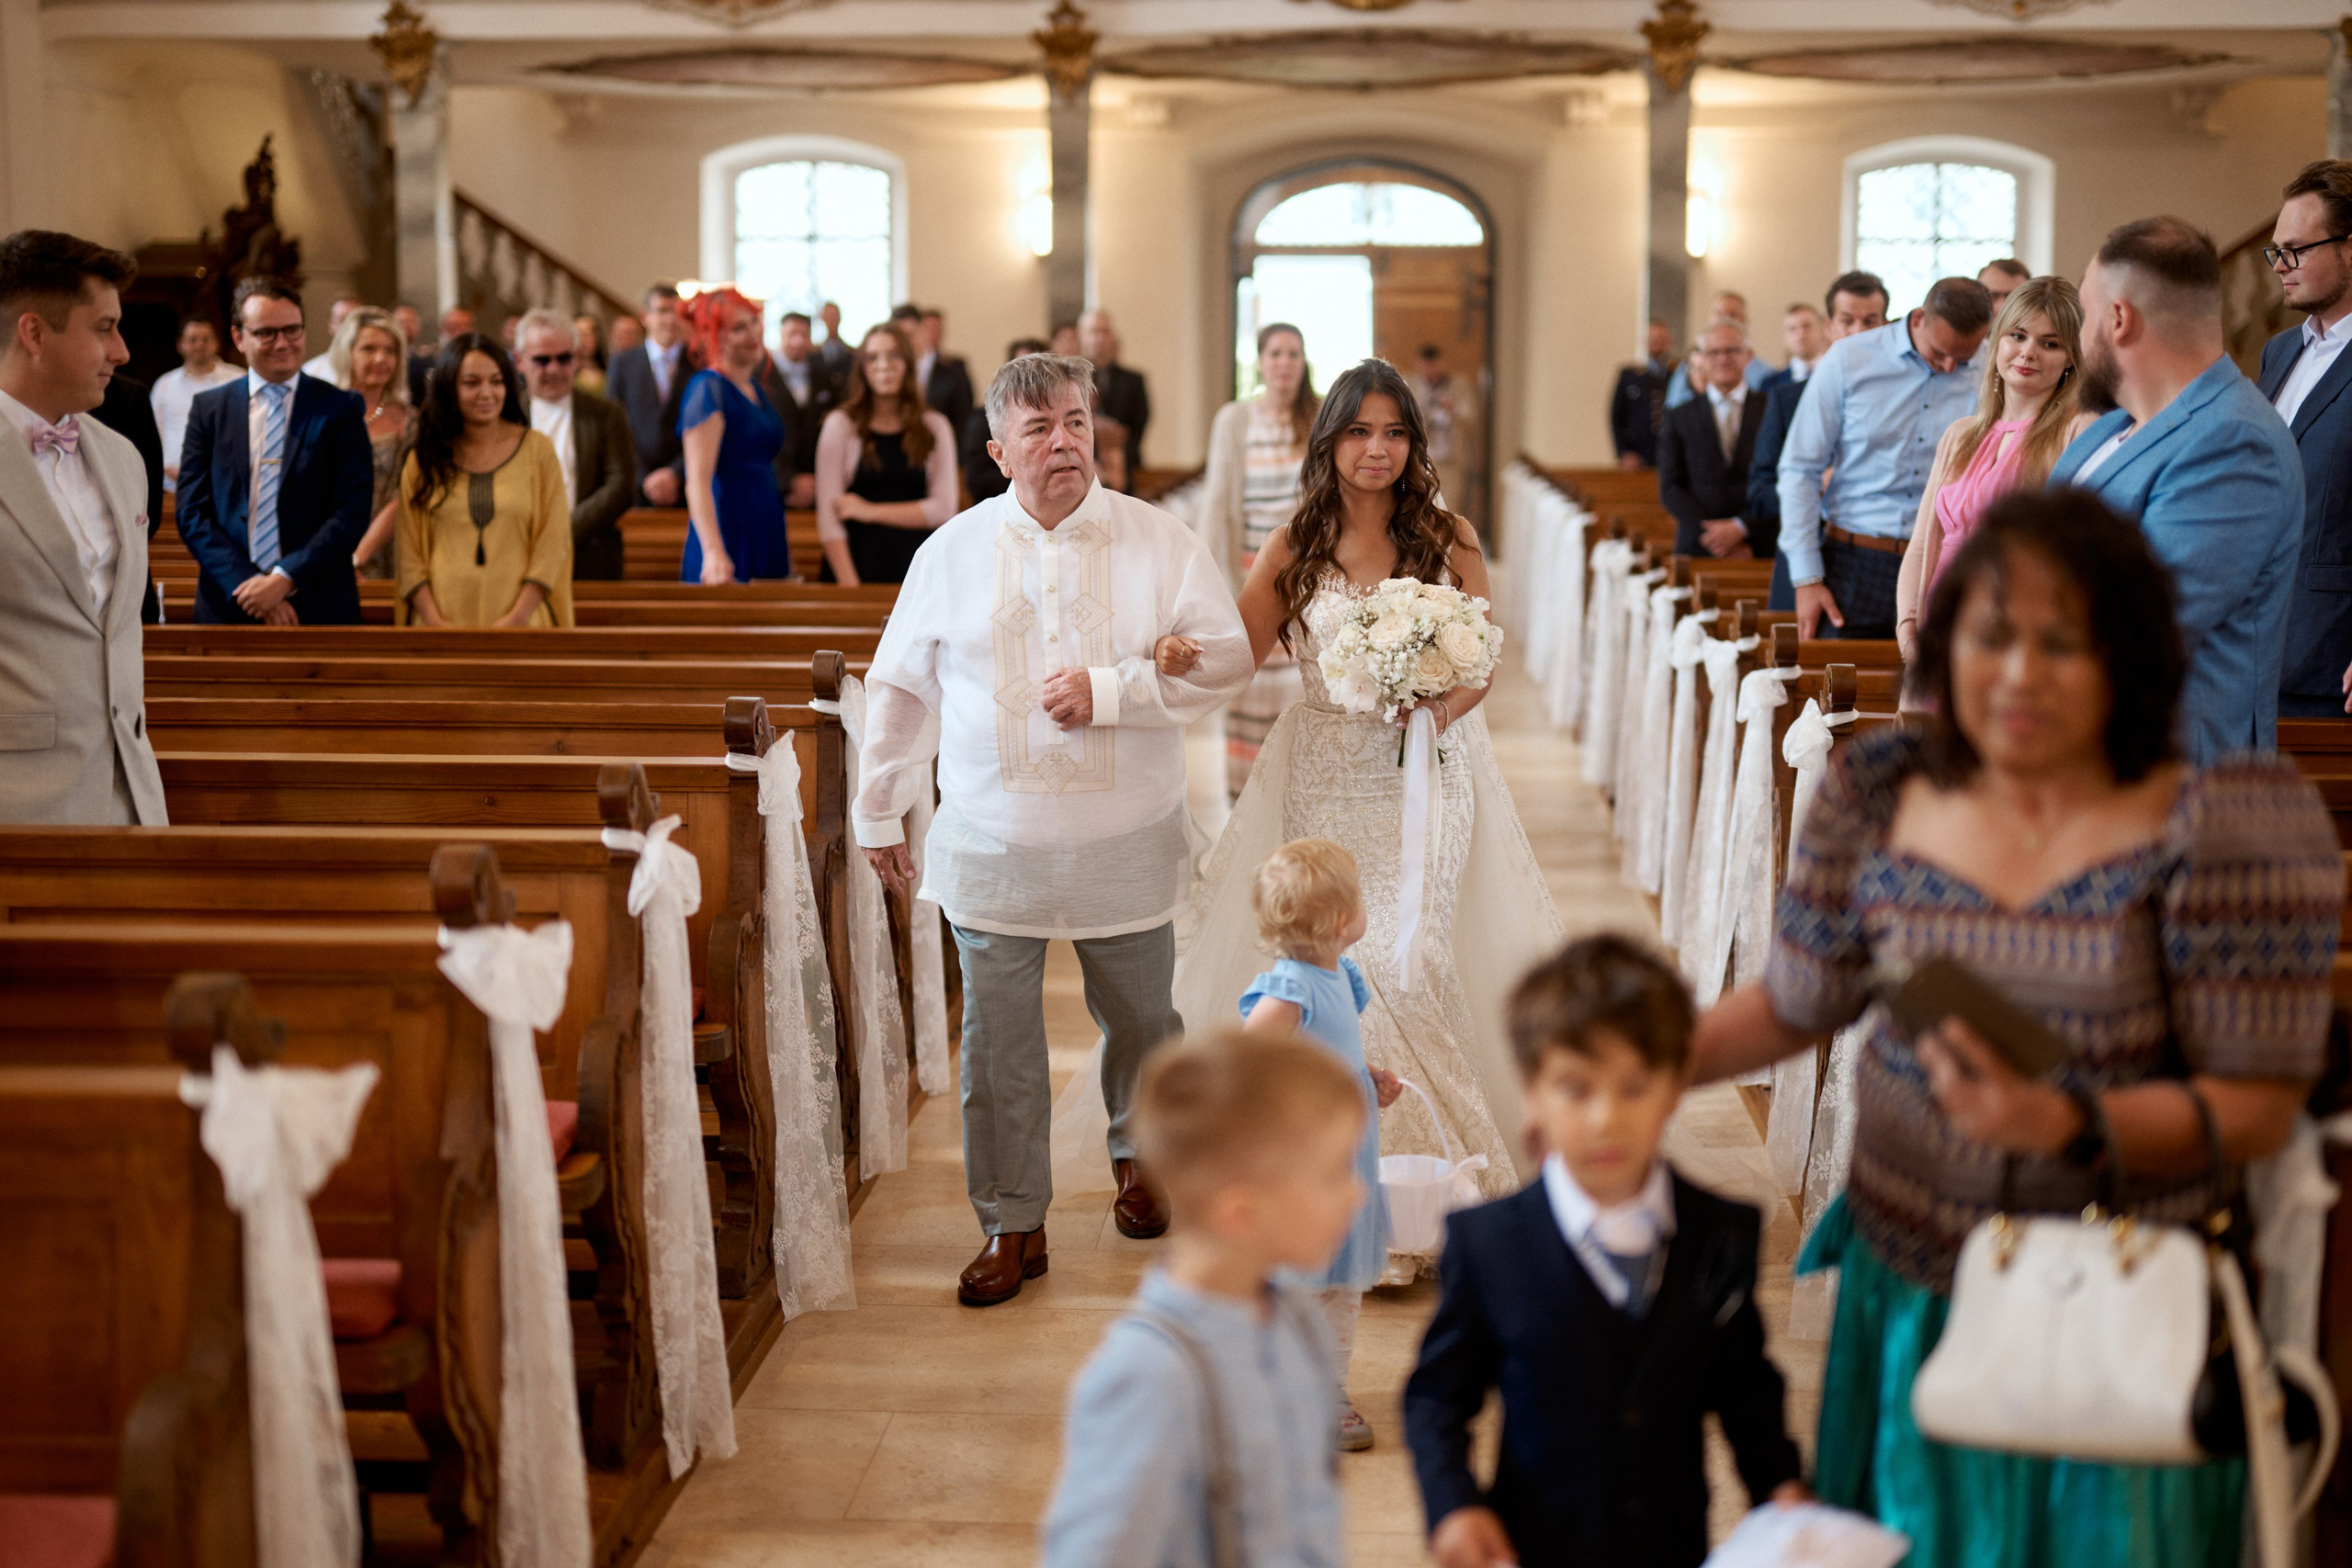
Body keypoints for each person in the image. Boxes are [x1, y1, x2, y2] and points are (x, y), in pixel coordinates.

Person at [1690, 488, 2338, 1568]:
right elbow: (1798, 1001)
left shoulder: (2221, 822)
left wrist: (2066, 1122)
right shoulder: (1878, 790)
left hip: (2113, 1299)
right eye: (1991, 635)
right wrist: (1651, 1056)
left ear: (2128, 657)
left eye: (2062, 643)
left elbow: (2261, 1105)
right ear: (1946, 641)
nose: (2020, 673)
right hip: (1907, 1291)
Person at [853, 352, 1252, 1305]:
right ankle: (1011, 1220)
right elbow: (903, 689)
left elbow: (1228, 662)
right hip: (995, 833)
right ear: (998, 451)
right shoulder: (948, 550)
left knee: (1145, 1020)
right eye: (1038, 429)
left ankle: (1141, 1159)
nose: (1062, 441)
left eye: (1074, 422)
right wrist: (876, 805)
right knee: (996, 1040)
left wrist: (1115, 692)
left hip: (1127, 830)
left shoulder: (1160, 542)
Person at [1174, 357, 1567, 1279]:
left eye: (1394, 432)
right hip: (1321, 776)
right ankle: (1359, 1207)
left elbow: (1478, 666)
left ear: (1413, 443)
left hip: (1426, 774)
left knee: (1412, 953)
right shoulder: (1294, 544)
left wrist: (1433, 709)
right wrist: (1170, 655)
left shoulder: (1447, 537)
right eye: (1358, 431)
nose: (1377, 450)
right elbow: (1236, 655)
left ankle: (1443, 1193)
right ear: (1330, 441)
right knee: (1335, 963)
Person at [1408, 936, 1804, 1568]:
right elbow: (1437, 1396)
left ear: (1675, 1088)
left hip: (1670, 1547)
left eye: (1634, 1086)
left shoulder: (1719, 1233)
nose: (1604, 1117)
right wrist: (1454, 1502)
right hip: (1533, 1545)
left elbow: (1745, 1387)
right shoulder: (1490, 1244)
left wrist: (1778, 1487)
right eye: (1575, 1087)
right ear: (1532, 1093)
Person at [1039, 1029, 1360, 1568]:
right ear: (1244, 1214)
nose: (1359, 1192)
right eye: (1335, 1175)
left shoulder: (1299, 1319)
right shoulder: (1150, 1375)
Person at [2052, 216, 2304, 761]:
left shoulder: (2234, 442)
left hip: (2170, 781)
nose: (2079, 334)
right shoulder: (2106, 428)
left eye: (2085, 315)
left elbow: (2142, 627)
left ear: (2118, 319)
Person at [1238, 838, 1402, 1452]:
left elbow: (1334, 1052)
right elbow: (1247, 1063)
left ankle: (1326, 1387)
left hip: (1347, 1160)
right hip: (1307, 1163)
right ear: (1341, 922)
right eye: (1358, 900)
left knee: (1341, 1284)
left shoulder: (1339, 975)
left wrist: (1366, 1078)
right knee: (1304, 1278)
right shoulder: (1290, 990)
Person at [0, 229, 167, 825]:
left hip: (132, 797)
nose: (122, 351)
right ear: (35, 332)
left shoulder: (121, 457)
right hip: (18, 805)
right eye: (104, 328)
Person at [1781, 276, 1992, 640]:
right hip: (1855, 559)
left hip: (1943, 563)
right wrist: (1807, 578)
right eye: (1939, 351)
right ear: (1918, 318)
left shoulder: (1991, 366)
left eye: (1961, 359)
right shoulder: (1850, 358)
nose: (1947, 367)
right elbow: (1801, 468)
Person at [1894, 277, 2091, 662]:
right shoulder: (1960, 434)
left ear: (2071, 357)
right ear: (1997, 340)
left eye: (2050, 343)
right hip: (1934, 634)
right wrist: (1908, 631)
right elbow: (1921, 546)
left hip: (2008, 637)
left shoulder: (2075, 432)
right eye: (2017, 336)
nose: (2027, 353)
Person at [175, 276, 373, 626]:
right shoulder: (210, 409)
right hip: (229, 602)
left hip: (317, 600)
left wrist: (285, 578)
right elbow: (192, 513)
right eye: (267, 332)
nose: (282, 343)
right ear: (239, 337)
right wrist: (248, 586)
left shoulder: (340, 408)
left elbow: (351, 510)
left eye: (292, 330)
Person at [1201, 322, 1320, 796]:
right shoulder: (1236, 420)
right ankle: (1249, 803)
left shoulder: (1317, 421)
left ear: (1303, 361)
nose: (1285, 363)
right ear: (1260, 361)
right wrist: (1218, 587)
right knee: (1252, 693)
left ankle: (1299, 799)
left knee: (1301, 694)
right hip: (1252, 578)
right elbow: (1217, 504)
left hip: (1308, 581)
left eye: (1293, 354)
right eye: (1275, 354)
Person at [394, 332, 573, 627]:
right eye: (471, 383)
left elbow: (553, 542)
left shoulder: (537, 450)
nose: (487, 393)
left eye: (496, 380)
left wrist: (518, 617)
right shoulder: (424, 457)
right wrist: (433, 620)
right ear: (449, 387)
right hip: (439, 624)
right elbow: (408, 552)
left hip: (524, 623)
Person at [2259, 160, 2352, 717]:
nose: (2279, 267)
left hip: (2335, 664)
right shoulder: (2279, 352)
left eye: (2296, 249)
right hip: (2260, 652)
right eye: (2276, 251)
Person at [1747, 271, 1889, 611]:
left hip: (1874, 565)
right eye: (1847, 320)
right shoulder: (1786, 399)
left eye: (1870, 320)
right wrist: (1813, 487)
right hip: (1803, 559)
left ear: (1886, 326)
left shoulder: (1902, 399)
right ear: (1829, 327)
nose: (1859, 332)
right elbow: (1760, 491)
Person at [813, 321, 956, 586]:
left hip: (918, 573)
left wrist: (868, 511)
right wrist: (851, 587)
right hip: (853, 568)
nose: (883, 365)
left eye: (894, 355)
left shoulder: (935, 426)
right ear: (861, 368)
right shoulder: (840, 424)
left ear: (908, 364)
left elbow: (943, 509)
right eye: (872, 358)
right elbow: (829, 519)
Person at [675, 287, 787, 584]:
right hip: (728, 523)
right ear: (716, 337)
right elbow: (698, 480)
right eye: (739, 327)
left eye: (753, 321)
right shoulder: (708, 388)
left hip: (763, 518)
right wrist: (713, 550)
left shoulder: (754, 388)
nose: (753, 332)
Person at [516, 309, 636, 581]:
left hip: (590, 555)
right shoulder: (507, 415)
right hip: (519, 555)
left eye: (564, 358)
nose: (554, 369)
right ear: (520, 360)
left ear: (577, 358)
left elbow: (622, 486)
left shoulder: (606, 413)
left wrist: (564, 531)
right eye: (542, 360)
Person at [1657, 319, 1770, 561]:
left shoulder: (1772, 410)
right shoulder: (1679, 416)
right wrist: (1716, 536)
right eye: (1713, 352)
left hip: (1757, 547)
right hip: (1697, 546)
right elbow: (1670, 487)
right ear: (1701, 359)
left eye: (1731, 350)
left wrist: (1741, 527)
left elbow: (1782, 480)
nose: (1723, 358)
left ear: (1748, 356)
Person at [329, 306, 418, 582]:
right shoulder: (321, 412)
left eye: (390, 350)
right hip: (327, 554)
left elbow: (403, 496)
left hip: (392, 556)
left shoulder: (410, 420)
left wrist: (359, 557)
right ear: (348, 352)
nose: (381, 359)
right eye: (369, 349)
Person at [607, 283, 691, 507]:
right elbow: (615, 426)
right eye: (663, 311)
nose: (670, 319)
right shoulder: (622, 364)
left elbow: (704, 427)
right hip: (636, 489)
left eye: (676, 312)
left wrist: (675, 474)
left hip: (686, 488)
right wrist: (644, 477)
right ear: (645, 316)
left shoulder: (698, 365)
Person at [149, 315, 239, 493]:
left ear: (216, 343)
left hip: (225, 485)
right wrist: (167, 467)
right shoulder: (165, 384)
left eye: (206, 339)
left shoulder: (237, 380)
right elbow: (153, 433)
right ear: (180, 344)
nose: (199, 345)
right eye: (192, 339)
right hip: (174, 486)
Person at [760, 310, 838, 510]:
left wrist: (816, 481)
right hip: (771, 485)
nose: (798, 341)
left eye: (804, 335)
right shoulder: (759, 377)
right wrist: (789, 480)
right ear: (780, 335)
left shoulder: (824, 379)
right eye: (792, 334)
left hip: (817, 487)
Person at [962, 336, 1046, 503]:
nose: (1031, 379)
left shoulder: (1064, 418)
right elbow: (977, 481)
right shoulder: (983, 420)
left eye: (1040, 371)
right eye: (1022, 370)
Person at [1080, 309, 1150, 482]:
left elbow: (1139, 423)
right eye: (1094, 331)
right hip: (1084, 466)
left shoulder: (1133, 380)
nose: (1100, 338)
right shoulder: (1072, 381)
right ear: (1081, 336)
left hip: (1126, 469)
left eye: (1105, 331)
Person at [1609, 320, 1675, 470]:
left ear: (1669, 341)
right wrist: (1624, 452)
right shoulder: (1629, 376)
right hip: (1638, 455)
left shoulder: (1677, 376)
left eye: (1661, 338)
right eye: (1652, 337)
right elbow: (1616, 416)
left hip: (1669, 453)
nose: (1656, 342)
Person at [1410, 343, 1468, 513]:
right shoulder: (1412, 385)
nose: (1429, 369)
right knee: (1422, 502)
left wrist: (1452, 408)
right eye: (1425, 365)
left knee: (1449, 503)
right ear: (1418, 364)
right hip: (1421, 456)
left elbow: (1469, 415)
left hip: (1449, 456)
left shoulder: (1456, 385)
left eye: (1433, 365)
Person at [904, 304, 975, 440]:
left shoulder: (954, 367)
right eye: (928, 328)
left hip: (943, 438)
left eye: (937, 329)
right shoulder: (902, 366)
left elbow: (964, 414)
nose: (933, 334)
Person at [1763, 302, 1828, 394]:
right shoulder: (1771, 384)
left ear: (1821, 329)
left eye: (1807, 326)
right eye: (1792, 329)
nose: (1800, 335)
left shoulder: (1838, 373)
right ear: (1785, 337)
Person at [300, 290, 363, 380]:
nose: (350, 327)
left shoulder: (379, 369)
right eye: (343, 320)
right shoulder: (311, 373)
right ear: (331, 325)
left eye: (355, 320)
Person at [571, 312, 606, 394]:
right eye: (581, 334)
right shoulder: (566, 372)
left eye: (590, 333)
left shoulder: (609, 369)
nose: (586, 339)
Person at [814, 299, 851, 376]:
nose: (832, 320)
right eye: (828, 316)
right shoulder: (815, 352)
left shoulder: (850, 352)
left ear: (839, 318)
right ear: (823, 319)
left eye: (834, 315)